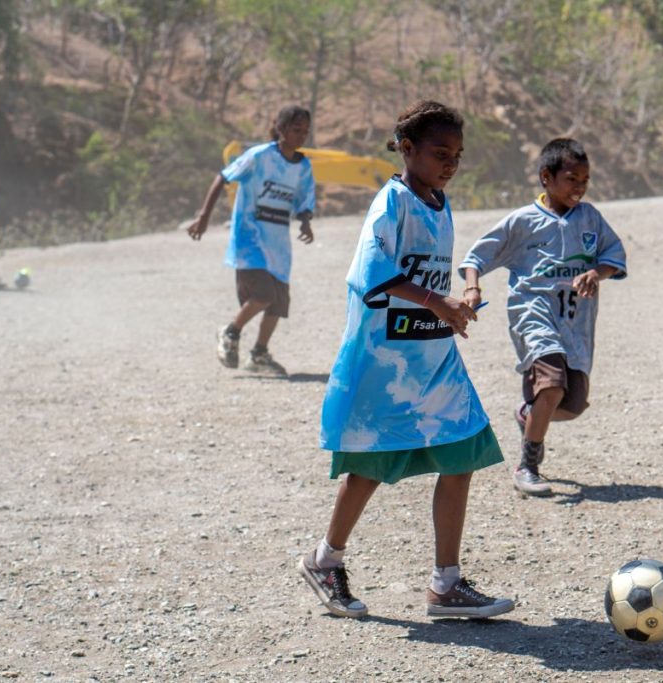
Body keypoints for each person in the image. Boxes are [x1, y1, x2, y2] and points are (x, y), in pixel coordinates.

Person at [298, 101, 514, 620]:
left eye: (458, 155)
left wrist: (457, 306)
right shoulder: (390, 203)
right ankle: (326, 561)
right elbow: (373, 273)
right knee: (368, 469)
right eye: (441, 153)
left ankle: (446, 585)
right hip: (386, 366)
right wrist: (438, 303)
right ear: (408, 148)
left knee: (463, 454)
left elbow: (432, 280)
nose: (451, 164)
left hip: (434, 358)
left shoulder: (440, 203)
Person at [459, 138, 627, 497]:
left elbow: (614, 256)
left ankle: (528, 416)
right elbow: (476, 257)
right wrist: (472, 288)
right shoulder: (523, 222)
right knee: (551, 384)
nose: (579, 187)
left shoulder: (591, 219)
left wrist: (597, 273)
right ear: (546, 178)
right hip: (533, 316)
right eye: (572, 179)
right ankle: (527, 467)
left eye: (585, 179)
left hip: (576, 326)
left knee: (573, 404)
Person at [187, 106, 316, 375]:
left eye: (305, 131)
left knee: (279, 304)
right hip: (250, 242)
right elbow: (222, 178)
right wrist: (203, 217)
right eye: (296, 130)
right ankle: (230, 332)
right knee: (263, 295)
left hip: (279, 247)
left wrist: (305, 221)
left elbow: (304, 200)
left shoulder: (303, 166)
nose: (301, 136)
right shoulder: (259, 157)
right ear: (279, 127)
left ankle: (259, 354)